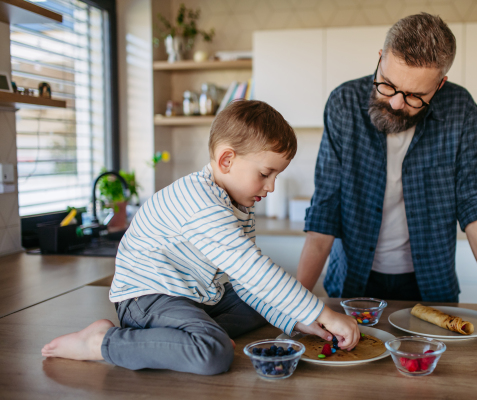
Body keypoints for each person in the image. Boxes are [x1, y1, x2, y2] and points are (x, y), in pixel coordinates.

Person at [42, 100, 360, 374]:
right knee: (214, 353)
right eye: (265, 174)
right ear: (226, 160)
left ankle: (184, 337)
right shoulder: (200, 202)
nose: (271, 186)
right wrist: (322, 313)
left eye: (276, 176)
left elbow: (248, 284)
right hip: (146, 299)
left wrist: (299, 321)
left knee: (264, 308)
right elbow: (254, 270)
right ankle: (101, 343)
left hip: (194, 296)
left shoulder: (239, 207)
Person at [296, 13, 477, 332]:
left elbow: (476, 208)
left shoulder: (460, 108)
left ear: (439, 85)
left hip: (431, 285)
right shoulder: (343, 103)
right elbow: (325, 211)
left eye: (414, 96)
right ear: (380, 59)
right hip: (353, 283)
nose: (394, 103)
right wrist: (295, 305)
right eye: (387, 85)